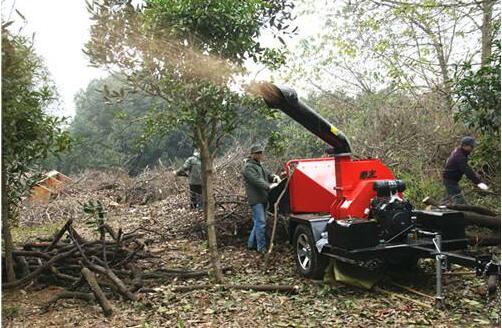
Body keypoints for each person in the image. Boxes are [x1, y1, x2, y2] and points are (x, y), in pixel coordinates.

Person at [242, 145, 280, 254]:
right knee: (261, 222)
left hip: (263, 198)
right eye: (257, 153)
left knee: (258, 222)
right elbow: (256, 180)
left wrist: (274, 177)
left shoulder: (259, 165)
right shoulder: (248, 167)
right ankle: (261, 248)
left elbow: (267, 174)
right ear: (252, 154)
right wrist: (269, 186)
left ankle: (250, 244)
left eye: (260, 153)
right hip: (256, 199)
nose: (259, 155)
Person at [442, 136, 489, 204]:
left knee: (448, 200)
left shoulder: (460, 151)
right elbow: (467, 171)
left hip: (451, 180)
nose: (473, 148)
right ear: (464, 146)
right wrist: (479, 183)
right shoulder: (459, 156)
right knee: (459, 201)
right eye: (471, 146)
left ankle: (439, 207)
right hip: (450, 181)